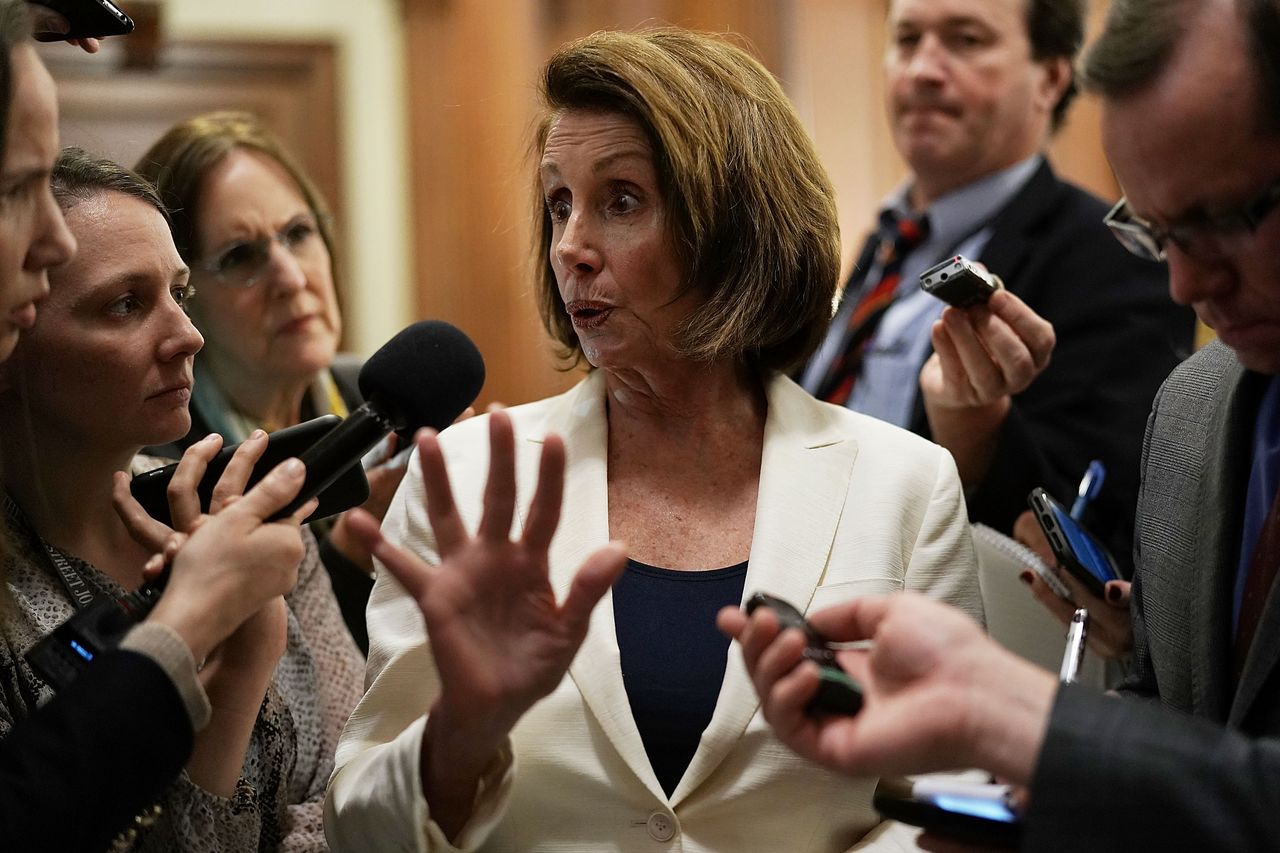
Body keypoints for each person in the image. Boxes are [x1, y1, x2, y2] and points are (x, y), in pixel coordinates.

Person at [325, 28, 983, 852]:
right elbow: (360, 827)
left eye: (621, 199)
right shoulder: (464, 478)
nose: (569, 246)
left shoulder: (906, 486)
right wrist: (461, 730)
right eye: (559, 202)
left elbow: (955, 803)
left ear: (734, 226)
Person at [726, 0, 1280, 848]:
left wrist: (1020, 718)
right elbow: (1170, 688)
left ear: (1050, 78)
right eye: (1157, 233)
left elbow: (1090, 556)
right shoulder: (1197, 406)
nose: (1183, 285)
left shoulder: (1100, 281)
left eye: (1221, 219)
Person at [0, 5, 320, 850]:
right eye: (126, 305)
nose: (188, 334)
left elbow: (354, 779)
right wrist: (211, 630)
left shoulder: (238, 504)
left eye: (179, 291)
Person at [797, 0, 1193, 567]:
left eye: (966, 40)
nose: (922, 70)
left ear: (1051, 78)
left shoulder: (1113, 260)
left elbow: (1103, 537)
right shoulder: (887, 241)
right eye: (907, 40)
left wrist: (978, 430)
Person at [134, 112, 398, 653]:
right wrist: (348, 557)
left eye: (298, 234)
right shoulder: (164, 470)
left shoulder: (381, 395)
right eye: (242, 256)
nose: (291, 277)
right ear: (182, 293)